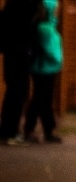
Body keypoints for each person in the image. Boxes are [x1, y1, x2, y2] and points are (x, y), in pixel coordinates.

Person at [0, 0, 43, 146]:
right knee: (17, 92)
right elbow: (26, 27)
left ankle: (9, 130)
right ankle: (9, 131)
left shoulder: (15, 5)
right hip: (19, 52)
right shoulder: (25, 5)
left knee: (15, 92)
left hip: (15, 51)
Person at [23, 0, 62, 144]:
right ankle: (42, 129)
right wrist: (58, 60)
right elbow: (52, 50)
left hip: (42, 67)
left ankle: (42, 128)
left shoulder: (44, 26)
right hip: (45, 68)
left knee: (41, 98)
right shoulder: (46, 29)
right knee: (42, 99)